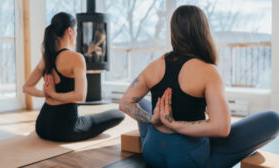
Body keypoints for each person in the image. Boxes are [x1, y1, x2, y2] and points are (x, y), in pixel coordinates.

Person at [119, 5, 279, 168]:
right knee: (273, 118)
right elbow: (222, 128)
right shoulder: (208, 71)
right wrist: (174, 124)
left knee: (143, 103)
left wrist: (152, 119)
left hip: (152, 153)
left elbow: (124, 103)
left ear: (173, 32)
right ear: (203, 31)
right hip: (190, 160)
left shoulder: (154, 66)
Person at [23, 12, 124, 142]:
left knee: (88, 117)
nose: (76, 33)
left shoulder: (45, 58)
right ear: (70, 30)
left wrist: (46, 94)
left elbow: (26, 88)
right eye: (76, 30)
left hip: (42, 126)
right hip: (65, 129)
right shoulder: (76, 58)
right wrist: (54, 94)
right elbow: (80, 96)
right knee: (118, 114)